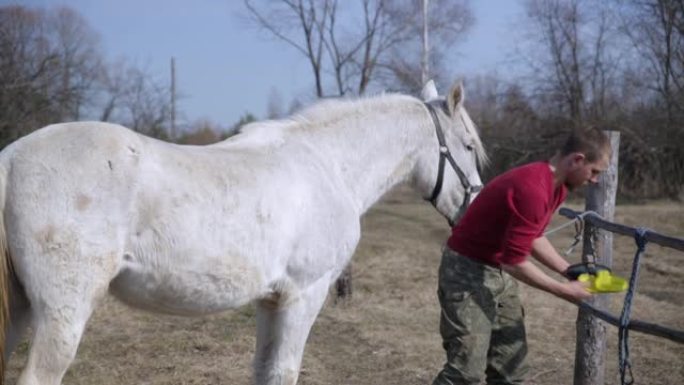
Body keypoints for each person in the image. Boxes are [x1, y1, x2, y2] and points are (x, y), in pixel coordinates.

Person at [432, 126, 612, 385]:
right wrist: (563, 290)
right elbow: (514, 261)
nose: (594, 179)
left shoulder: (557, 187)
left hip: (497, 271)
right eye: (594, 171)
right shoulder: (533, 188)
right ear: (577, 160)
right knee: (464, 373)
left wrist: (568, 270)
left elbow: (533, 236)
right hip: (465, 271)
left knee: (510, 371)